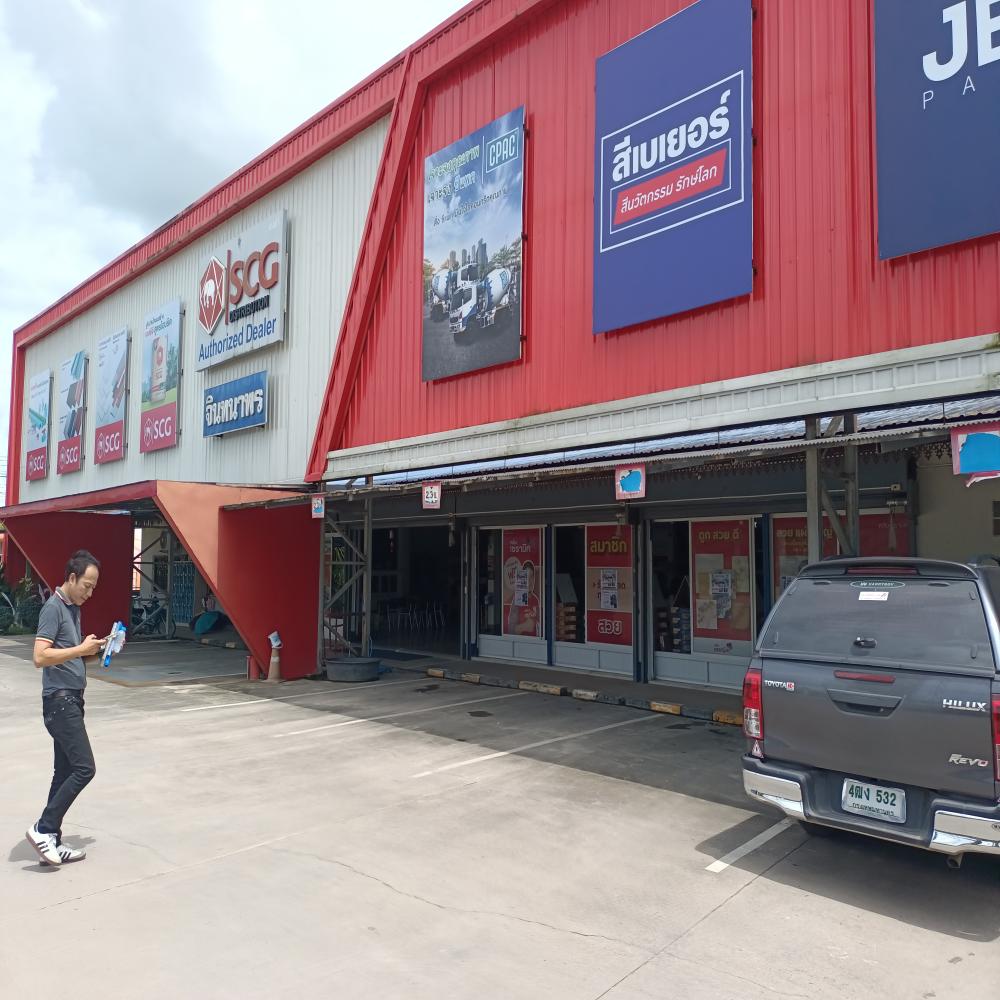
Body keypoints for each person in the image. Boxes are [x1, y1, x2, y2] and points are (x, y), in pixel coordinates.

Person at [25, 551, 107, 867]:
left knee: (64, 772)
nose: (90, 593)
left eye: (94, 588)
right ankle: (43, 828)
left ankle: (52, 841)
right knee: (85, 768)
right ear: (72, 578)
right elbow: (40, 657)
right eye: (87, 585)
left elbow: (70, 655)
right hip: (60, 702)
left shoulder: (72, 609)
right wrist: (80, 648)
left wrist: (96, 651)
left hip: (71, 699)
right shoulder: (54, 608)